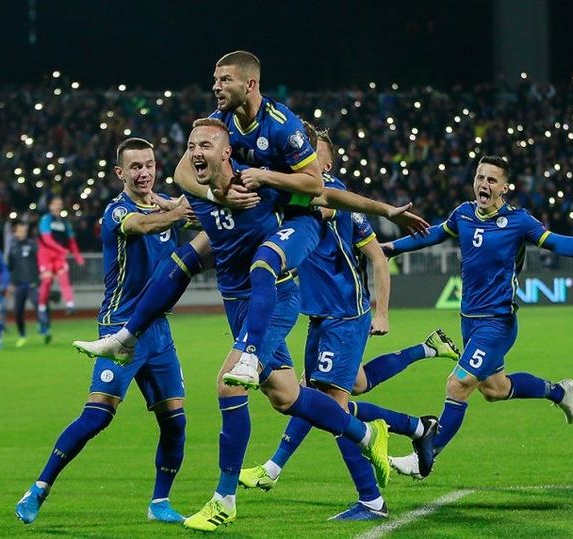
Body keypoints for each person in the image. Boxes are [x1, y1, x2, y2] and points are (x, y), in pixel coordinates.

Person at [74, 50, 426, 366]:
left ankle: (251, 354)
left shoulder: (282, 128)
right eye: (215, 80)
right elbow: (182, 171)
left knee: (265, 263)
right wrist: (219, 198)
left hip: (294, 220)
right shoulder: (221, 121)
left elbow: (319, 189)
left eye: (224, 80)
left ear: (250, 83)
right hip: (251, 216)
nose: (216, 87)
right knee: (183, 260)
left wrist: (266, 175)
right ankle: (126, 336)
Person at [166, 119, 395, 532]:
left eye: (319, 166)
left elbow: (338, 201)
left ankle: (225, 499)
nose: (315, 174)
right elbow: (184, 171)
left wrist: (386, 211)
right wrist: (211, 195)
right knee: (288, 395)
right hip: (278, 307)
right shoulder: (258, 178)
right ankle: (369, 436)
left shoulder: (307, 191)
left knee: (230, 383)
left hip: (323, 311)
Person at [237, 126, 457, 520]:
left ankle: (371, 499)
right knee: (326, 396)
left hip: (344, 317)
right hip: (318, 317)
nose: (303, 162)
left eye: (312, 156)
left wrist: (382, 310)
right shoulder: (296, 192)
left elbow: (375, 256)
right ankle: (418, 427)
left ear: (327, 162)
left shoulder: (330, 198)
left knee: (332, 407)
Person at [382, 155, 573, 477]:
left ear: (505, 188)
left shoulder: (519, 221)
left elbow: (554, 242)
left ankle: (425, 456)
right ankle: (558, 391)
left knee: (458, 384)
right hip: (470, 319)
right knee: (494, 389)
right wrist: (390, 248)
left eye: (492, 180)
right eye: (480, 178)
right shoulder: (463, 214)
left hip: (497, 323)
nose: (484, 184)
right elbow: (431, 235)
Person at [15, 137, 192, 525]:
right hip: (120, 328)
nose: (143, 172)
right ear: (120, 173)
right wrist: (179, 211)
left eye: (148, 165)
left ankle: (159, 503)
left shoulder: (166, 203)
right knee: (98, 416)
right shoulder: (117, 212)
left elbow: (202, 217)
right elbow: (143, 225)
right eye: (135, 167)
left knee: (175, 421)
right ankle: (38, 489)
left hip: (159, 331)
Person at [37, 196, 85, 317]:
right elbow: (46, 239)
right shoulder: (46, 219)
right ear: (50, 206)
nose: (58, 206)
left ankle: (70, 305)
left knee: (64, 278)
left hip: (59, 255)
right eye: (55, 204)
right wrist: (62, 249)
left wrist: (78, 256)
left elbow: (72, 241)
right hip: (46, 253)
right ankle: (41, 307)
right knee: (47, 280)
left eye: (59, 204)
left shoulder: (65, 222)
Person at [7, 221, 49, 346]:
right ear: (15, 232)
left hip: (32, 283)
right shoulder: (12, 247)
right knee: (18, 312)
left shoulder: (33, 245)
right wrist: (10, 282)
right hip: (19, 284)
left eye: (24, 231)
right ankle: (22, 336)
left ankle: (43, 328)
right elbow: (10, 266)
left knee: (39, 305)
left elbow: (41, 261)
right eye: (20, 230)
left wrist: (42, 273)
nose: (22, 233)